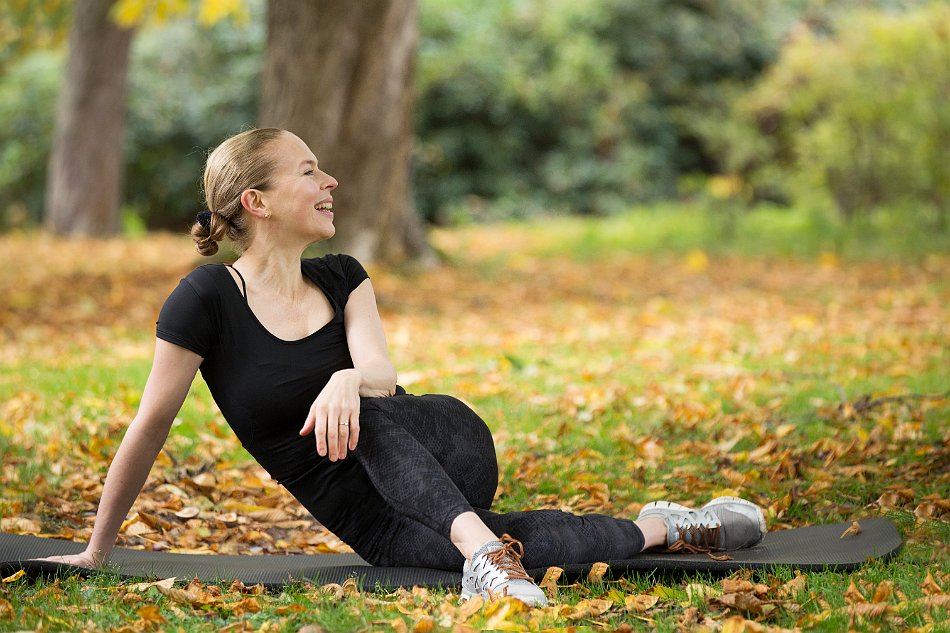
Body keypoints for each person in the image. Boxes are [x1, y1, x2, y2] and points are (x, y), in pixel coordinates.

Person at [42, 128, 767, 606]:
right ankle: (663, 528)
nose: (330, 181)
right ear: (255, 202)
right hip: (376, 521)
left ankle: (483, 553)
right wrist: (95, 549)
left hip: (441, 443)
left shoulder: (344, 276)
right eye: (308, 171)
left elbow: (381, 377)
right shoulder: (206, 300)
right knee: (517, 541)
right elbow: (149, 426)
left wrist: (344, 377)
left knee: (370, 412)